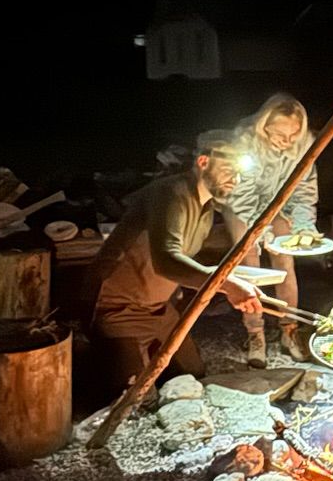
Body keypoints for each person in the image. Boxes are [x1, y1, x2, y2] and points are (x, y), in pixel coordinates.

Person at [89, 133, 264, 389]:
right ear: (204, 162)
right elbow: (167, 261)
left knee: (192, 375)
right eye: (228, 169)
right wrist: (225, 284)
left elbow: (183, 258)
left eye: (239, 174)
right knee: (133, 395)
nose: (234, 180)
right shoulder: (170, 193)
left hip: (160, 309)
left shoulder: (205, 207)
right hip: (119, 307)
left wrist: (231, 279)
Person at [220, 93, 319, 367]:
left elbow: (304, 189)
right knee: (250, 257)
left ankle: (289, 330)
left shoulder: (304, 145)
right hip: (241, 203)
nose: (286, 142)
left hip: (279, 202)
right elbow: (243, 194)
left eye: (292, 135)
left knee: (285, 255)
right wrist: (258, 231)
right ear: (264, 126)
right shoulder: (244, 142)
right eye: (279, 135)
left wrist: (304, 225)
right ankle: (256, 333)